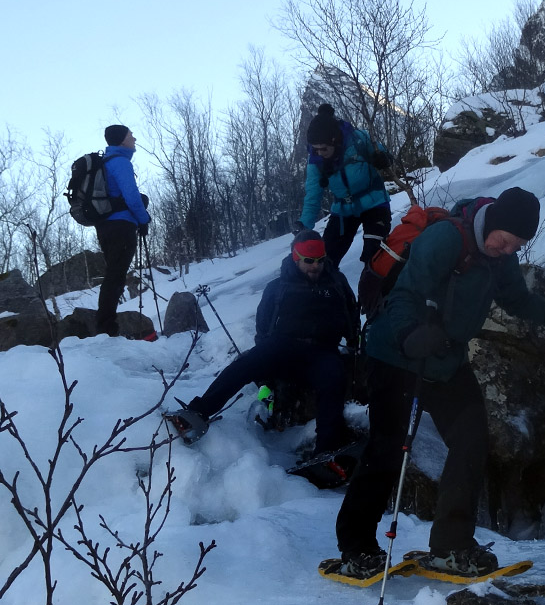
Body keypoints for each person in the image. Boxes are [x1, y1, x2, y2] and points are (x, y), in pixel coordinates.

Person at [330, 187, 545, 579]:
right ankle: (356, 547)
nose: (507, 250)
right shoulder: (446, 239)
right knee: (388, 448)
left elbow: (519, 302)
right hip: (395, 353)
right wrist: (410, 333)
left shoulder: (499, 258)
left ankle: (451, 546)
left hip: (445, 359)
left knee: (471, 437)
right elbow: (406, 293)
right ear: (493, 222)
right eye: (506, 240)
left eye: (517, 246)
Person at [166, 231, 359, 458]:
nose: (315, 266)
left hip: (322, 351)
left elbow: (351, 314)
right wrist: (264, 361)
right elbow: (263, 324)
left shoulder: (336, 282)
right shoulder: (278, 287)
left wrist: (354, 342)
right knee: (244, 365)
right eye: (308, 261)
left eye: (319, 260)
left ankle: (326, 452)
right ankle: (198, 413)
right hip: (281, 346)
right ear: (296, 258)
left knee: (333, 381)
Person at [299, 103, 392, 307]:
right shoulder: (315, 159)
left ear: (335, 140)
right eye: (316, 149)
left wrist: (383, 158)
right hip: (343, 209)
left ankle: (373, 307)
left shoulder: (358, 139)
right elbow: (313, 191)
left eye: (324, 148)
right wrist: (305, 224)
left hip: (374, 202)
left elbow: (383, 153)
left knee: (374, 257)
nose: (320, 153)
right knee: (326, 259)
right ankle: (327, 304)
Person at [95, 125, 152, 337]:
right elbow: (131, 196)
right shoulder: (120, 162)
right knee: (116, 275)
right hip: (121, 226)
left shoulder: (107, 162)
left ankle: (106, 323)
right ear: (121, 140)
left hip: (106, 226)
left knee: (114, 273)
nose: (134, 138)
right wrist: (143, 219)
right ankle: (106, 326)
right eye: (130, 135)